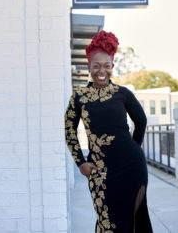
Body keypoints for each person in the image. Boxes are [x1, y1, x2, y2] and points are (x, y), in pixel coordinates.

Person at [65, 30, 153, 232]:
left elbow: (141, 121)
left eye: (107, 65)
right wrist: (80, 163)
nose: (101, 70)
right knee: (107, 223)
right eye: (96, 66)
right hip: (100, 172)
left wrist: (133, 149)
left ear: (112, 66)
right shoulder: (79, 97)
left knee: (133, 221)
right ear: (89, 66)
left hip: (131, 168)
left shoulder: (123, 94)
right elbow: (69, 131)